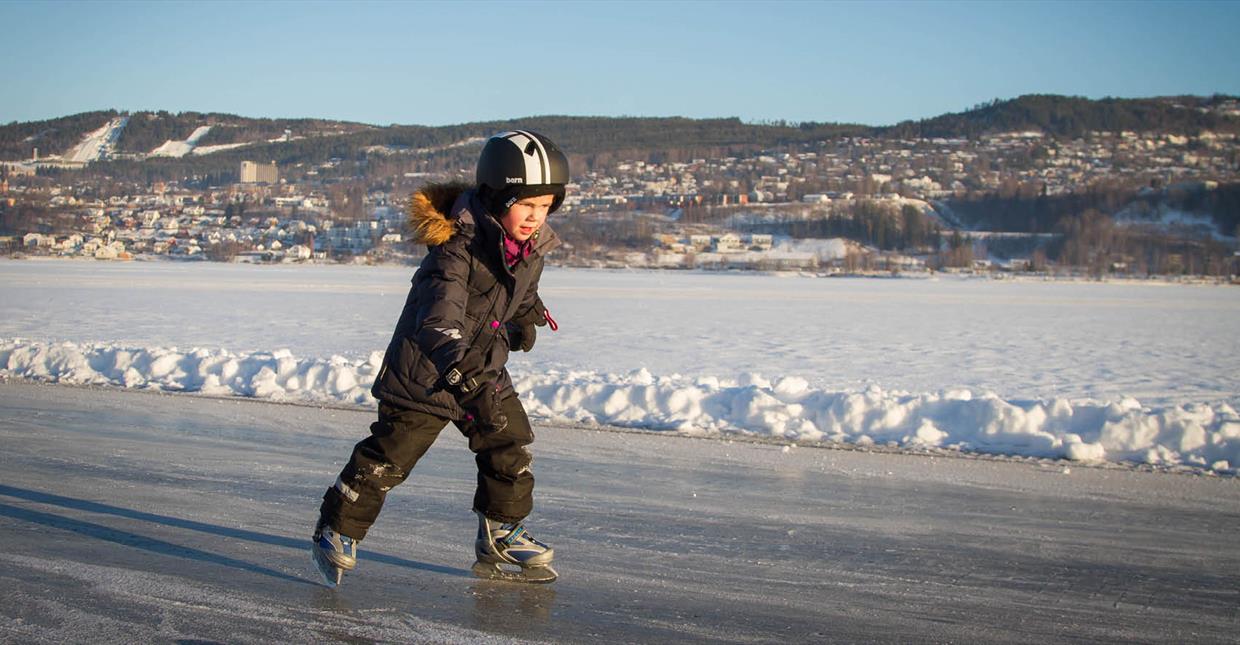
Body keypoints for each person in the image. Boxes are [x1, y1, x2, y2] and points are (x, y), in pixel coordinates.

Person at [312, 130, 568, 586]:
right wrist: (460, 372)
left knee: (508, 443)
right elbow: (437, 322)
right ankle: (337, 528)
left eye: (545, 206)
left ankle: (500, 532)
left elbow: (518, 291)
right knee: (391, 456)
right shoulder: (455, 251)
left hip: (482, 367)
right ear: (496, 197)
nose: (535, 216)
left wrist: (528, 316)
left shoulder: (528, 252)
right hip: (426, 374)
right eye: (526, 204)